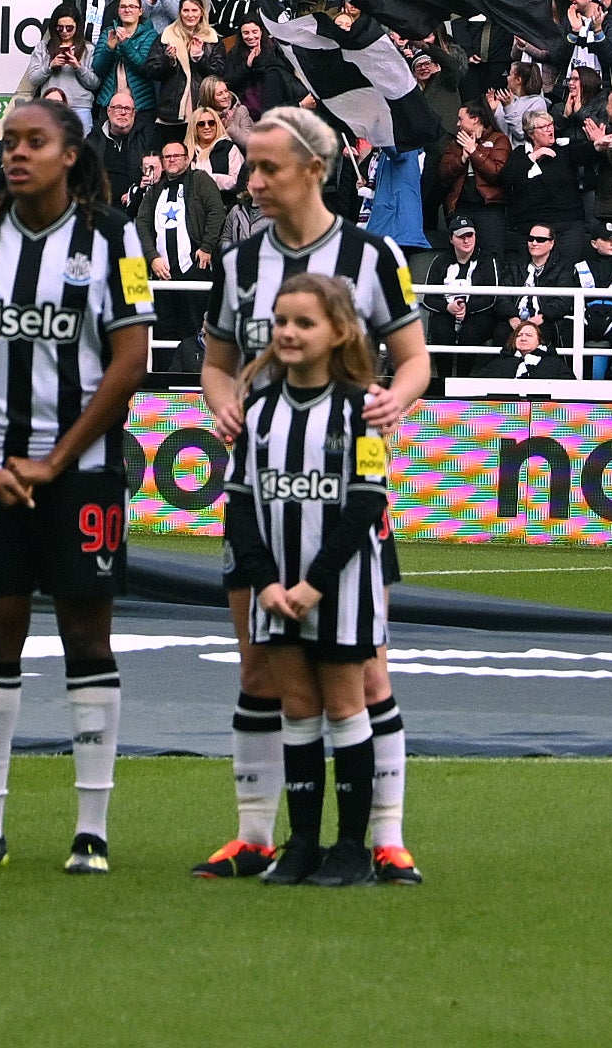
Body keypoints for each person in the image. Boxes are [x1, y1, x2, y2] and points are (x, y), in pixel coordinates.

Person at [200, 101, 432, 880]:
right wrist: (222, 402)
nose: (252, 181)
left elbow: (413, 359)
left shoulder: (371, 256)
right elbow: (214, 361)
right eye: (249, 166)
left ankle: (386, 836)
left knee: (363, 675)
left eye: (267, 167)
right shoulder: (238, 264)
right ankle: (258, 836)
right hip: (265, 494)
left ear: (314, 169)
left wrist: (398, 399)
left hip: (346, 497)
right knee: (260, 667)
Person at [0, 84, 151, 873]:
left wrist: (55, 459)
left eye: (33, 141)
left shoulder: (113, 239)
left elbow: (130, 362)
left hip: (82, 472)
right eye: (9, 141)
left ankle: (91, 830)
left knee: (88, 637)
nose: (16, 153)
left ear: (69, 156)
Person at [222, 277, 392, 889]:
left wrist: (314, 585)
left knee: (346, 708)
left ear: (339, 332)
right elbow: (238, 505)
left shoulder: (363, 409)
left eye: (305, 323)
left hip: (340, 590)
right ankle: (300, 844)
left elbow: (366, 503)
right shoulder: (258, 411)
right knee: (296, 708)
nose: (289, 334)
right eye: (282, 322)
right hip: (276, 594)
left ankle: (352, 847)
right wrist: (266, 584)